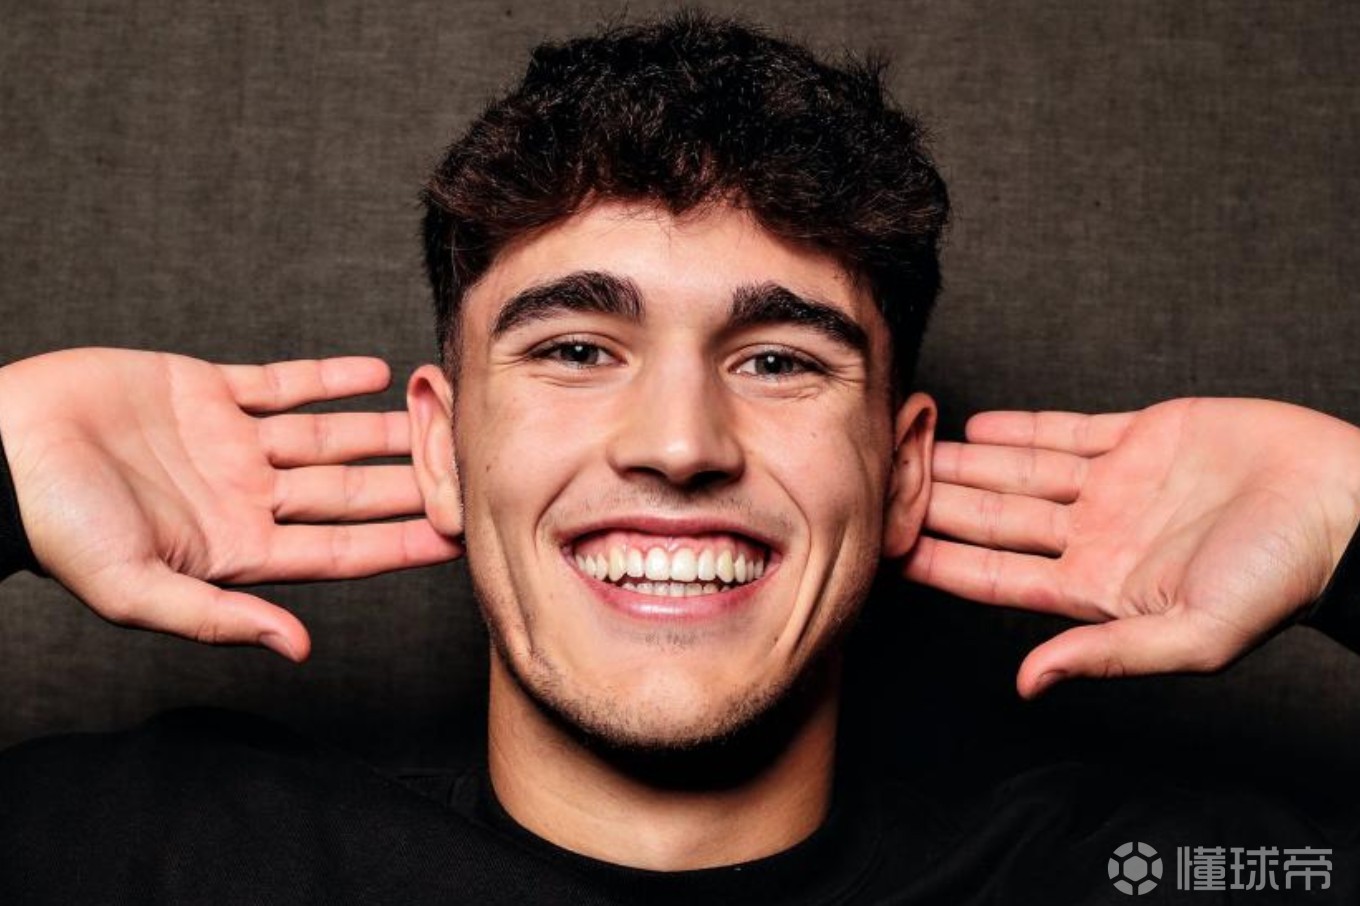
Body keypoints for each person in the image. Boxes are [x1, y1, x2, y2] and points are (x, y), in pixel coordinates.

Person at [2, 12, 1359, 905]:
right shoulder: (139, 857)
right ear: (441, 448)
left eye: (779, 361)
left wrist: (1352, 521)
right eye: (575, 348)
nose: (678, 445)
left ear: (902, 473)